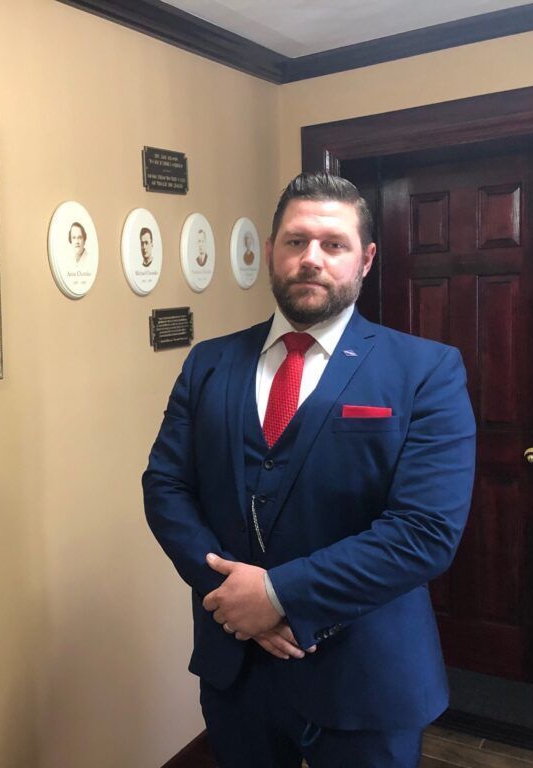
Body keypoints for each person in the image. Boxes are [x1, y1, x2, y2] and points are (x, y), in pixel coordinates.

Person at [143, 172, 475, 767]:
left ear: (365, 259)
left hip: (367, 676)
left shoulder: (426, 370)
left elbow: (424, 533)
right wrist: (229, 594)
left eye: (333, 244)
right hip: (236, 667)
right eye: (295, 242)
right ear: (271, 250)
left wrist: (278, 595)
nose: (311, 259)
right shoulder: (210, 363)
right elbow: (166, 487)